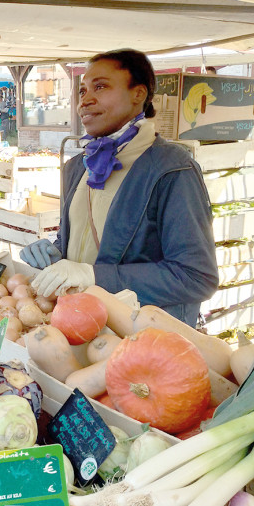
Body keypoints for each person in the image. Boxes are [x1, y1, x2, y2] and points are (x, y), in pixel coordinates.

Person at [21, 49, 217, 327]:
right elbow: (84, 242)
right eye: (82, 90)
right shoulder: (78, 166)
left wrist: (93, 276)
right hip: (81, 327)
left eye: (100, 87)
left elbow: (196, 277)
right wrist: (56, 254)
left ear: (138, 94)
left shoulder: (172, 169)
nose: (85, 101)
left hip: (143, 338)